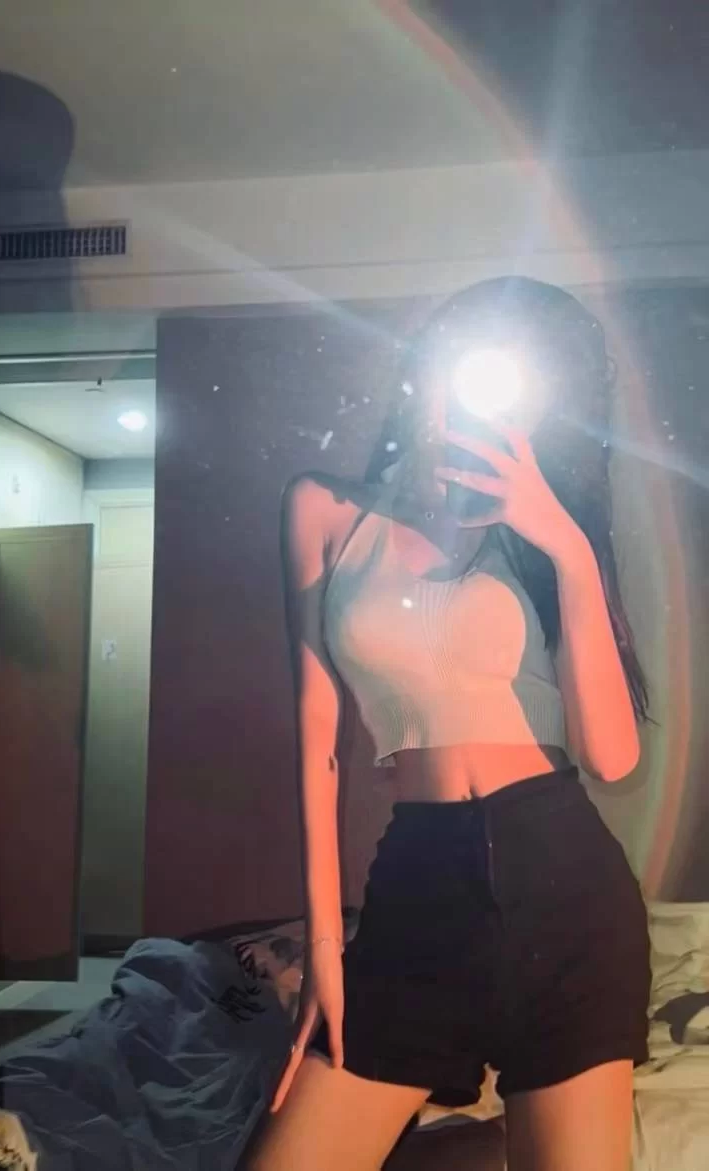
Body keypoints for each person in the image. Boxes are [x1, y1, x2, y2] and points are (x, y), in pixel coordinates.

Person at [244, 277, 651, 1171]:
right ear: (426, 367)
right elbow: (318, 745)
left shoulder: (543, 532)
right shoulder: (324, 508)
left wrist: (566, 543)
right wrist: (324, 948)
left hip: (568, 892)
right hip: (417, 888)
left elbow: (613, 756)